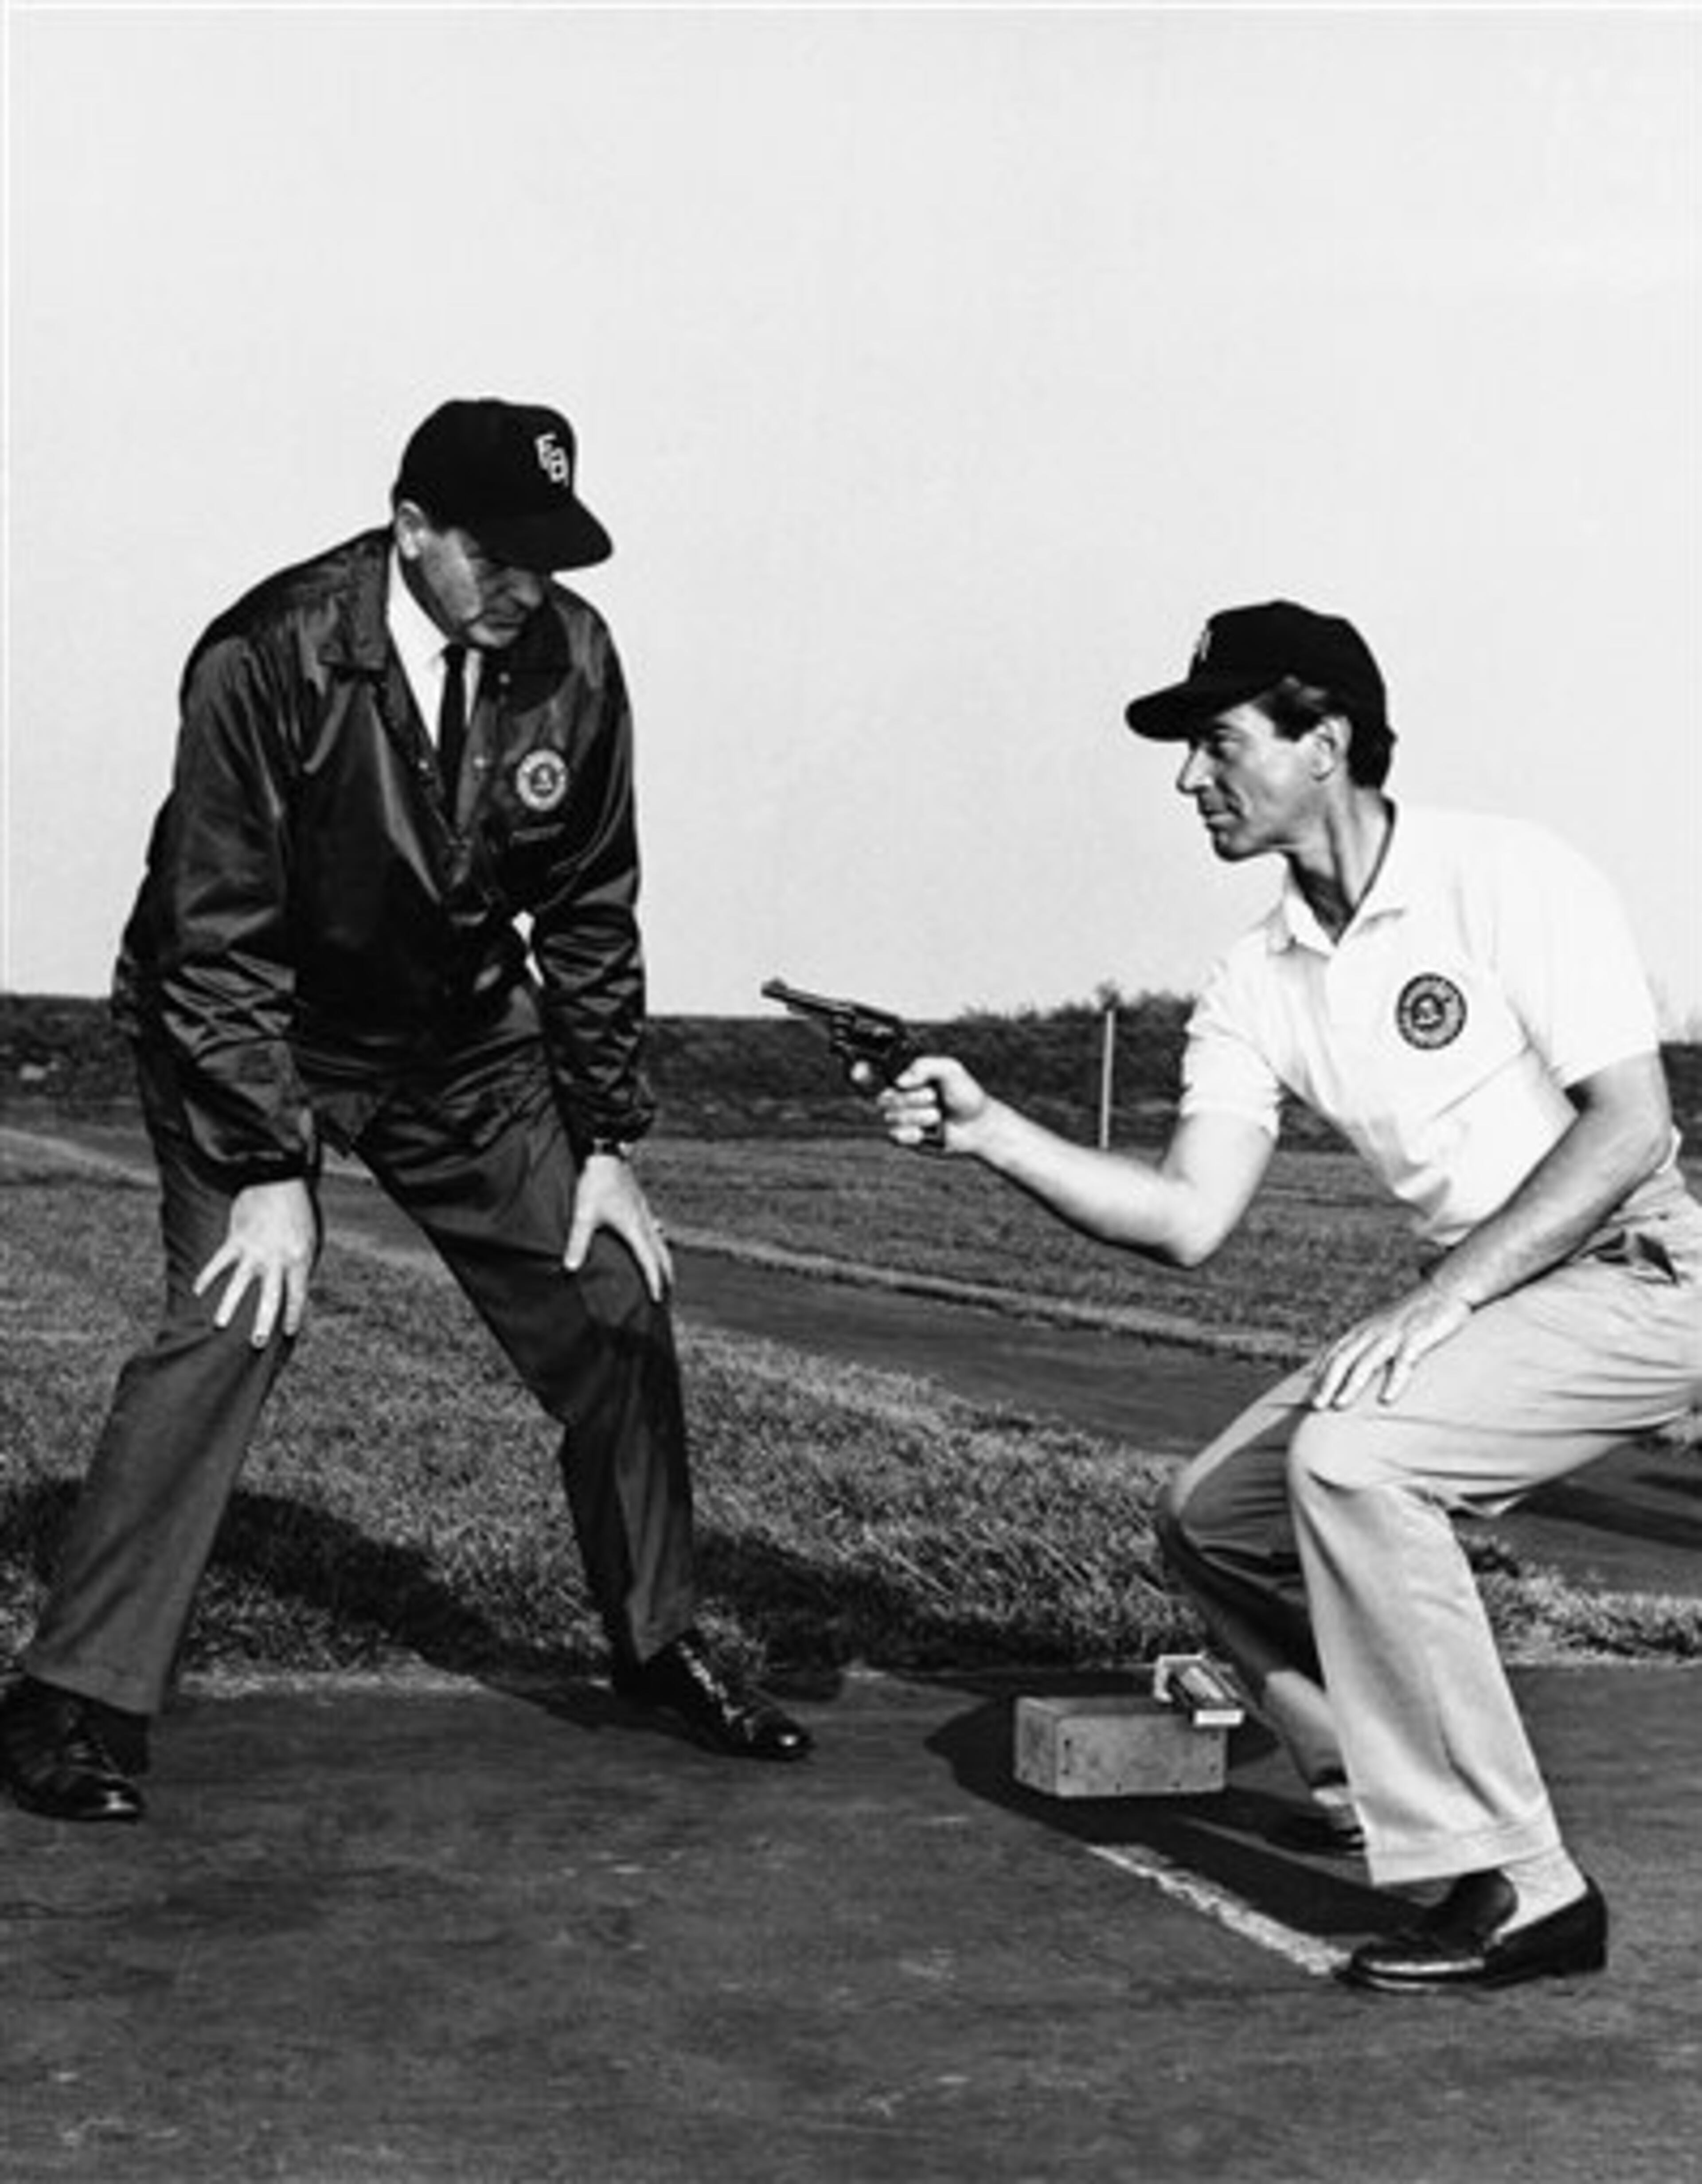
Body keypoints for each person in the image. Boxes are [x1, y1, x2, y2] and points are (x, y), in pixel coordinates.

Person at [0, 395, 812, 1825]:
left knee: (614, 1290)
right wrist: (271, 1163)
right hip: (254, 1025)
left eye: (548, 559)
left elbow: (590, 911)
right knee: (238, 1314)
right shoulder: (266, 653)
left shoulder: (575, 659)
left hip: (457, 1037)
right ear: (412, 527)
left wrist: (606, 1142)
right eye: (496, 555)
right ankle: (71, 1697)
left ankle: (657, 1640)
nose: (526, 589)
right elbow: (213, 936)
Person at [878, 599, 1702, 1993]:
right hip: (1501, 1295)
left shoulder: (1504, 873)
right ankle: (1371, 1785)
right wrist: (992, 1132)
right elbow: (1188, 1220)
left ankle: (1525, 1884)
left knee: (1353, 1463)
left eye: (1219, 744)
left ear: (1325, 741)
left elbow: (1629, 1127)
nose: (1190, 780)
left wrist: (1445, 1298)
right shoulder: (1257, 979)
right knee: (1214, 1517)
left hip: (1642, 1268)